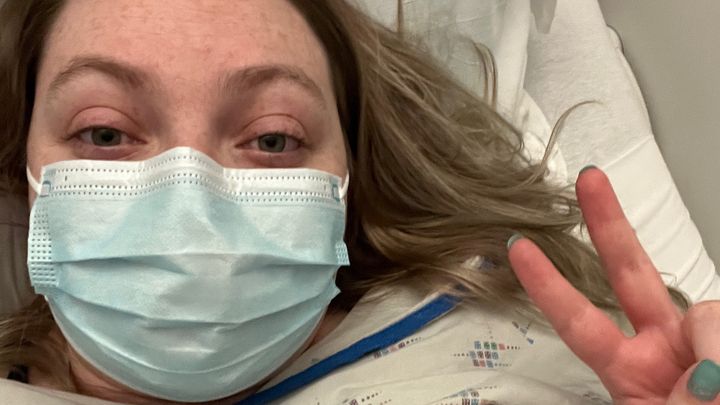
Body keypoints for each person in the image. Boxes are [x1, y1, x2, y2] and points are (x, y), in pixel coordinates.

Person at [0, 0, 717, 404]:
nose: (190, 206)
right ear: (21, 164)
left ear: (349, 177)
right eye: (104, 132)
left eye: (273, 139)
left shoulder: (541, 342)